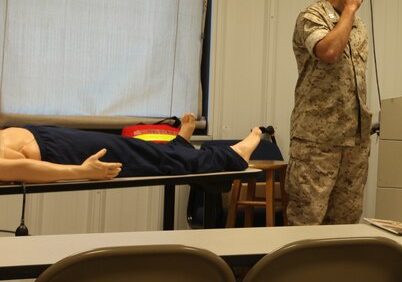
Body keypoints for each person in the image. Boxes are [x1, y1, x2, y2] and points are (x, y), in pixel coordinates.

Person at [284, 0, 373, 282]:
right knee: (306, 220)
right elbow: (329, 53)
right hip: (316, 139)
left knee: (345, 222)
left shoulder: (360, 27)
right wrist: (348, 12)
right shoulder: (312, 17)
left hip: (353, 138)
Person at [0, 113, 262, 183]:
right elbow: (21, 169)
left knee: (141, 153)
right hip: (55, 150)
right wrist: (81, 172)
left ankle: (182, 147)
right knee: (146, 158)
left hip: (49, 140)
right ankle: (231, 155)